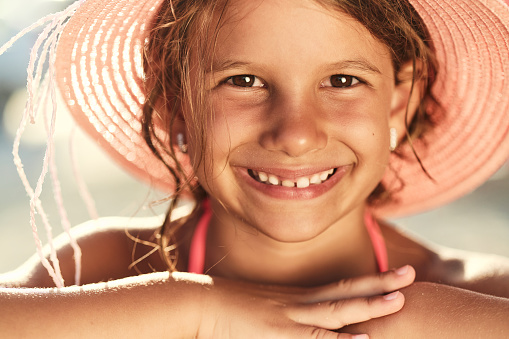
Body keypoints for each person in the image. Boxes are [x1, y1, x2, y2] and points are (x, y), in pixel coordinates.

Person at [0, 0, 508, 337]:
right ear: (174, 106)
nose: (296, 134)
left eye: (343, 80)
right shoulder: (107, 273)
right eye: (243, 80)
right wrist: (193, 307)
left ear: (401, 104)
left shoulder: (473, 300)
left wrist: (418, 318)